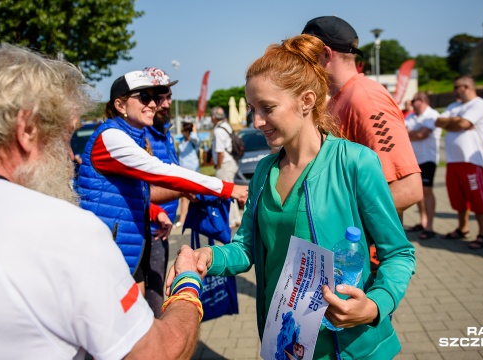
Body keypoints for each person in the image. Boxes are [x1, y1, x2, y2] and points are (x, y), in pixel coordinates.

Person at [0, 44, 204, 359]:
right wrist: (187, 287)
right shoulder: (64, 231)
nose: (69, 156)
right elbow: (156, 354)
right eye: (65, 136)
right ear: (28, 129)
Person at [169, 34, 415, 359]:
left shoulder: (354, 162)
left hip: (350, 348)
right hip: (284, 345)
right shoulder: (263, 172)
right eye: (252, 109)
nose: (256, 122)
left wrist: (374, 305)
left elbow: (398, 253)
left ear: (306, 101)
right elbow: (247, 247)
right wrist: (209, 258)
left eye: (267, 108)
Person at [75, 70, 248, 312]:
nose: (153, 104)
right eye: (144, 97)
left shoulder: (129, 136)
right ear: (120, 104)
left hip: (127, 242)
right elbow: (164, 173)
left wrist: (155, 212)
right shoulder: (111, 137)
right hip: (109, 249)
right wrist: (228, 188)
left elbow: (131, 190)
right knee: (119, 325)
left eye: (156, 98)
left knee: (138, 320)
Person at [301, 16, 422, 216]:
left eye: (305, 57)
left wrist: (337, 226)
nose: (302, 66)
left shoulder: (366, 98)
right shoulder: (339, 99)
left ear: (325, 54)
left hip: (358, 246)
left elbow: (407, 189)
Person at [140, 67, 181, 318]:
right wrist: (189, 191)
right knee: (152, 309)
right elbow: (144, 191)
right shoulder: (141, 133)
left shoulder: (163, 132)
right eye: (158, 97)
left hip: (161, 228)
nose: (165, 104)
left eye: (168, 96)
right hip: (148, 231)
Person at [435, 75, 483, 249]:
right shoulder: (454, 106)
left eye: (456, 86)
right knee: (458, 198)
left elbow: (463, 124)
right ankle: (462, 228)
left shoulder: (479, 104)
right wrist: (456, 122)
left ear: (466, 87)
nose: (454, 90)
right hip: (453, 161)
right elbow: (438, 121)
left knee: (477, 199)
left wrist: (454, 123)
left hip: (470, 161)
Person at [405, 92, 441, 240]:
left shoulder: (432, 115)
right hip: (414, 159)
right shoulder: (411, 116)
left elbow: (422, 135)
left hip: (428, 158)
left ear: (422, 101)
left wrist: (411, 133)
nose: (411, 103)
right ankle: (423, 221)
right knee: (418, 192)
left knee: (426, 190)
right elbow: (401, 132)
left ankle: (429, 226)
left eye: (414, 100)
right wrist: (413, 133)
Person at [210, 106, 243, 227]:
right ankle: (236, 218)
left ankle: (230, 220)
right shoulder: (226, 126)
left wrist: (218, 166)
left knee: (225, 192)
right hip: (232, 162)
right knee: (231, 190)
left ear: (213, 118)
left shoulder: (218, 131)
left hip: (224, 164)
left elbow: (220, 152)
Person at [176, 121, 201, 227]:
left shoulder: (194, 140)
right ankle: (182, 219)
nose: (182, 132)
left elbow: (196, 140)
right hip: (183, 171)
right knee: (183, 196)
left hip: (193, 172)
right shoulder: (182, 141)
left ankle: (197, 217)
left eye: (184, 130)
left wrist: (193, 131)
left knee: (195, 196)